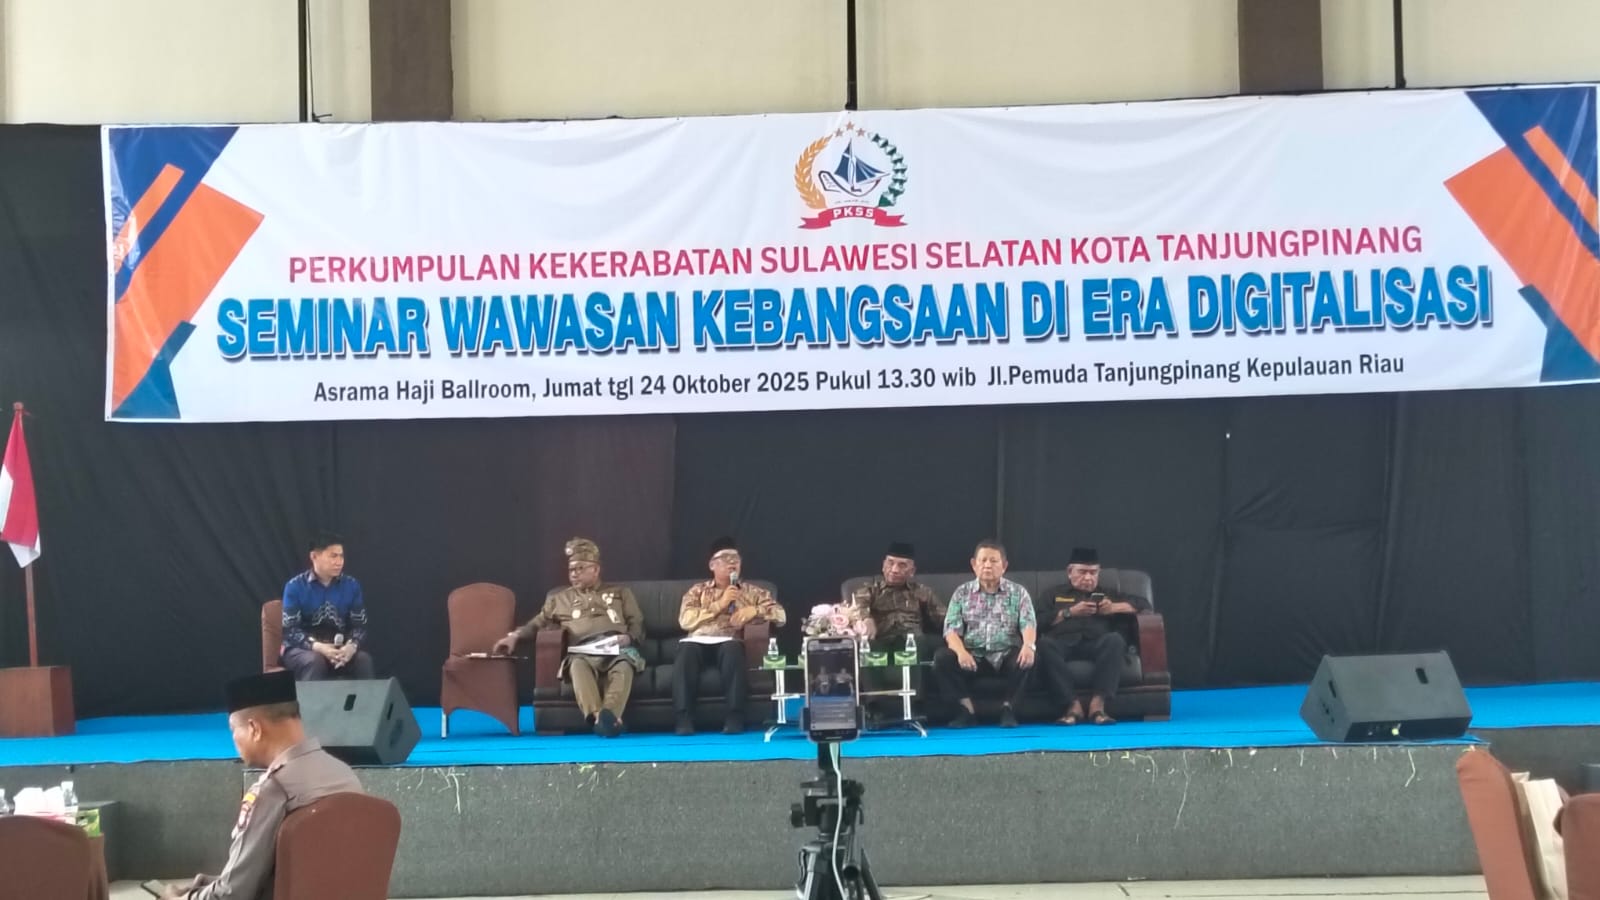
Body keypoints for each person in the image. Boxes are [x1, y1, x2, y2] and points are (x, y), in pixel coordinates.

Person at [152, 670, 364, 899]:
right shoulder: (345, 775)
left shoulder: (274, 791)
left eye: (233, 730)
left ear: (254, 729)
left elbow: (232, 894)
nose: (234, 739)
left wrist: (182, 899)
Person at [493, 537, 644, 737]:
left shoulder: (620, 593)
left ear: (596, 569)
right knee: (577, 666)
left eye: (580, 568)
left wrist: (628, 638)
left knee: (624, 665)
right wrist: (515, 636)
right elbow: (537, 623)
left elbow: (637, 621)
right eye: (571, 569)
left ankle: (609, 715)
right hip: (583, 651)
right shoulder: (559, 599)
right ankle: (601, 718)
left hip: (617, 648)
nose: (574, 574)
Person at [674, 536, 786, 735]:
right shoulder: (697, 591)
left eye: (736, 559)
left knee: (733, 649)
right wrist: (720, 604)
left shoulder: (753, 592)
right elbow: (685, 620)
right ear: (712, 565)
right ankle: (684, 718)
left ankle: (735, 717)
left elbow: (781, 615)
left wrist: (755, 610)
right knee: (686, 651)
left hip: (729, 641)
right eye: (726, 559)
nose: (732, 563)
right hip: (698, 641)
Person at [933, 539, 1037, 728]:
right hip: (974, 656)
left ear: (1004, 566)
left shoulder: (1018, 592)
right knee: (942, 658)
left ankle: (1009, 709)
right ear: (974, 564)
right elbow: (951, 630)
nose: (987, 565)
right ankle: (966, 711)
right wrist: (961, 652)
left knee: (1028, 658)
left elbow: (1028, 623)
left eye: (994, 561)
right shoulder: (962, 593)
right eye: (983, 561)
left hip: (1007, 653)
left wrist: (1029, 646)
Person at [1037, 546, 1146, 725]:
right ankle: (1072, 705)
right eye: (1082, 572)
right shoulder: (1053, 594)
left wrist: (1114, 608)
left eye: (1093, 573)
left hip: (1096, 643)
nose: (1088, 578)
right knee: (1044, 645)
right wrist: (1069, 613)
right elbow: (1037, 621)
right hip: (1062, 643)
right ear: (1070, 572)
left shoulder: (1108, 594)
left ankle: (1098, 705)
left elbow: (1142, 604)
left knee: (1115, 640)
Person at [850, 541, 944, 720]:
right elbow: (858, 607)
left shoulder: (922, 592)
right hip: (880, 637)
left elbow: (943, 618)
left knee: (917, 642)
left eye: (902, 565)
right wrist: (866, 619)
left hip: (910, 639)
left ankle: (915, 705)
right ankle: (875, 707)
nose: (894, 569)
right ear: (883, 565)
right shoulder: (869, 589)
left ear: (912, 570)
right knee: (866, 645)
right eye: (890, 563)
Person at [279, 532, 374, 681]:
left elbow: (359, 626)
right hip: (302, 649)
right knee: (315, 661)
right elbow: (290, 631)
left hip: (338, 648)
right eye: (333, 556)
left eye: (341, 556)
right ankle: (310, 698)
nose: (339, 562)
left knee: (363, 660)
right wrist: (320, 648)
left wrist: (351, 647)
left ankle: (367, 698)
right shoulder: (295, 587)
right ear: (314, 556)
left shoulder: (352, 585)